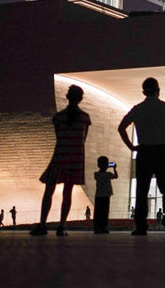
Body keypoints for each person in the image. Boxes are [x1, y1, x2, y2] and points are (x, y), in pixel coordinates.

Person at [118, 77, 165, 236]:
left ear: (143, 92)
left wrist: (131, 146)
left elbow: (121, 127)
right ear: (158, 90)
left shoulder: (137, 109)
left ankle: (141, 225)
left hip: (144, 152)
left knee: (142, 190)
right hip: (162, 151)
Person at [30, 85, 91, 237]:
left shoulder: (58, 117)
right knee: (67, 192)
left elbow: (59, 137)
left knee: (49, 190)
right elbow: (83, 139)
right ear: (80, 99)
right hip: (75, 157)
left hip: (60, 155)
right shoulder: (85, 118)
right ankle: (62, 225)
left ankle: (42, 224)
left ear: (67, 96)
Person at [93, 156, 118, 234]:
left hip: (98, 195)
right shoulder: (108, 174)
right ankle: (104, 227)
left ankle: (97, 227)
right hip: (106, 195)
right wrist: (114, 168)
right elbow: (116, 176)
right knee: (105, 212)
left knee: (98, 212)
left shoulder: (96, 174)